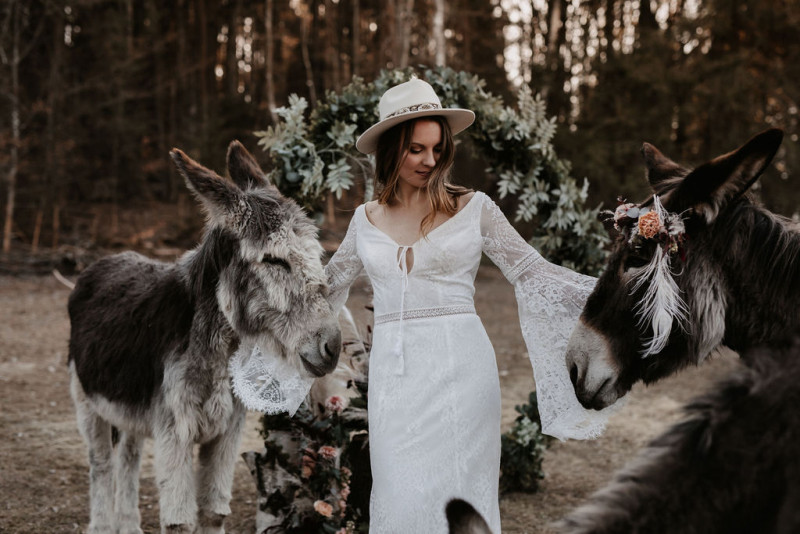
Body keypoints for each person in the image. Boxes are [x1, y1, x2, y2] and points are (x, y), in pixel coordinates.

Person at [323, 77, 615, 533]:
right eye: (416, 149)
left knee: (460, 497)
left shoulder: (474, 208)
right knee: (399, 495)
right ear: (390, 149)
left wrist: (618, 295)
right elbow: (326, 288)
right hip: (394, 384)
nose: (429, 160)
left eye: (437, 148)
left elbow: (533, 273)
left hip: (463, 375)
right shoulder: (364, 220)